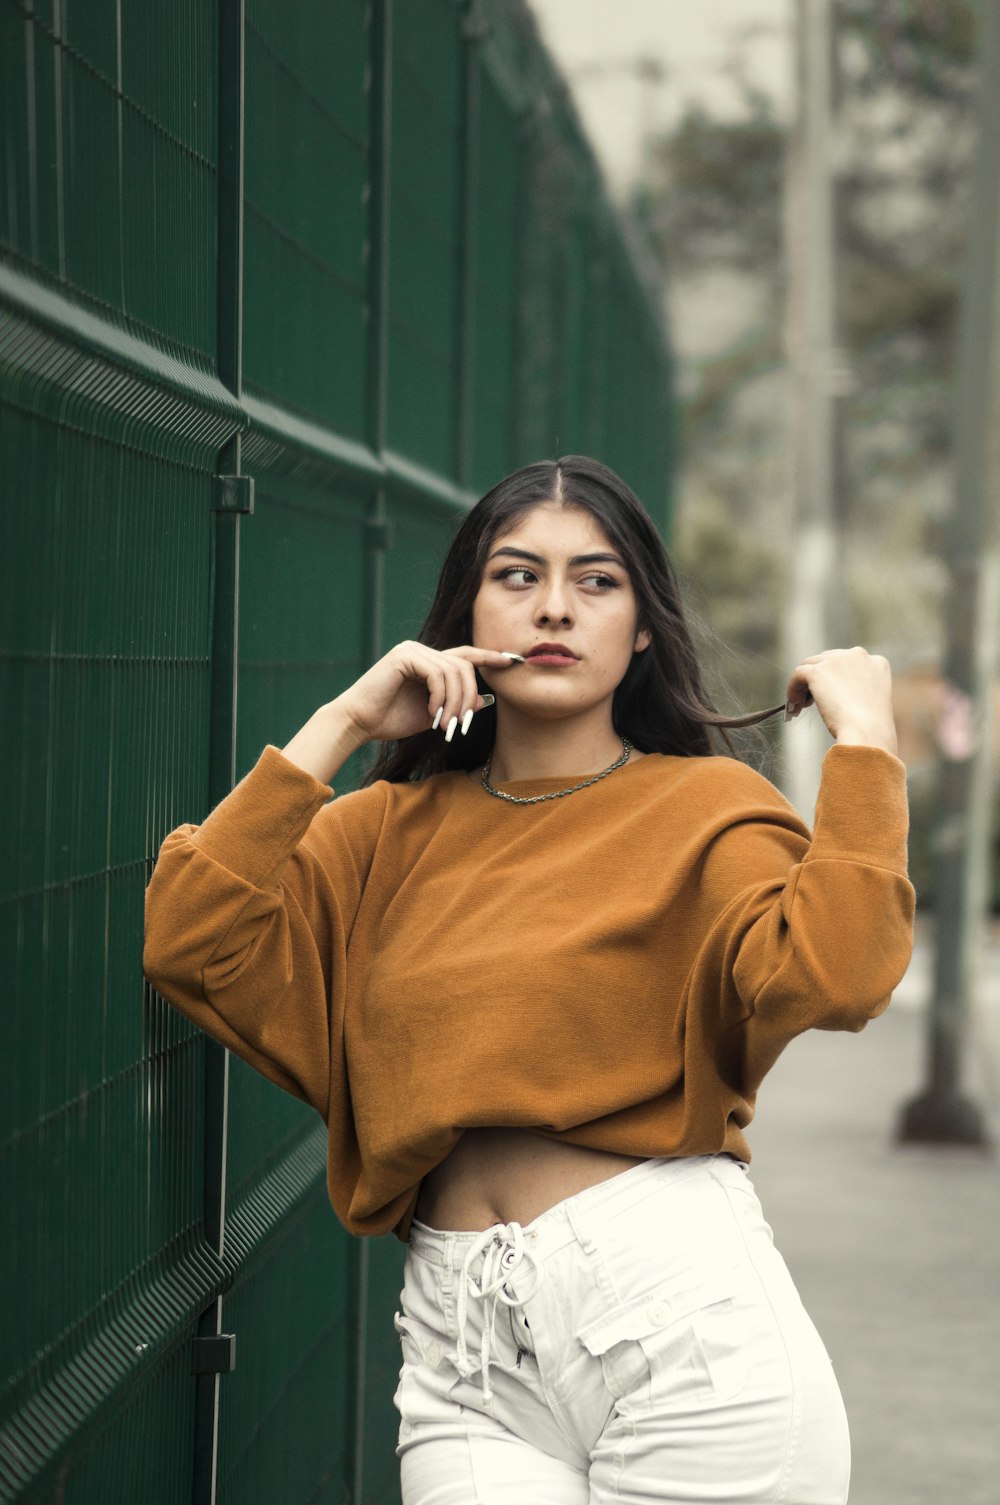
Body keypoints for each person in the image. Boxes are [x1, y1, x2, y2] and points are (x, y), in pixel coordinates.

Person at [143, 455, 914, 1505]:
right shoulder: (382, 833)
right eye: (516, 574)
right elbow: (191, 938)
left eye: (596, 580)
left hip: (676, 1321)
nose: (554, 605)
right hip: (464, 1359)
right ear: (466, 605)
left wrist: (865, 749)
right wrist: (343, 724)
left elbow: (843, 974)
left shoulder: (707, 807)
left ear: (643, 625)